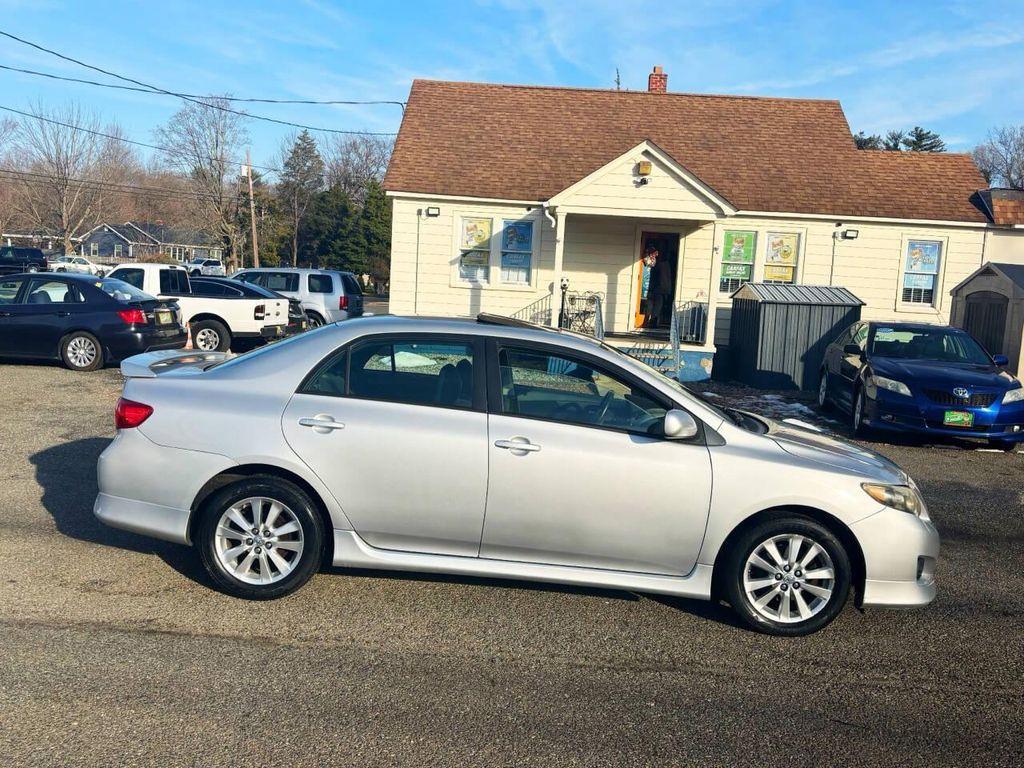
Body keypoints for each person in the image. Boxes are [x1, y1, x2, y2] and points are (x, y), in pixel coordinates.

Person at [645, 245, 672, 328]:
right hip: (658, 289)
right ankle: (651, 321)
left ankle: (650, 321)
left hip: (657, 289)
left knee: (654, 306)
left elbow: (664, 278)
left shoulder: (660, 265)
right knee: (656, 306)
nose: (656, 255)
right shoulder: (663, 265)